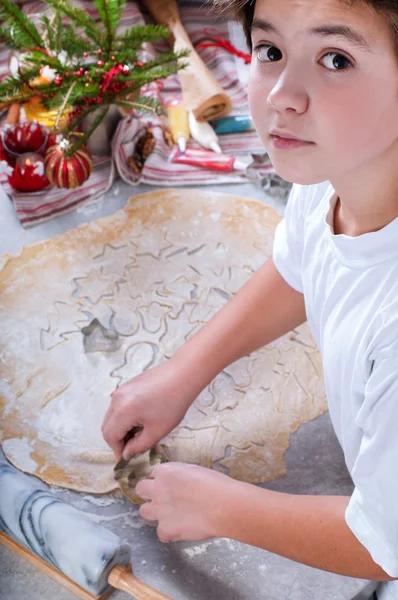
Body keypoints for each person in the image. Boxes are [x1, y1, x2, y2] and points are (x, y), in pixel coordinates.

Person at [102, 0, 398, 597]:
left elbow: (385, 540)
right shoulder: (338, 174)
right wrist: (183, 371)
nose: (284, 95)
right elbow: (301, 264)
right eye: (271, 51)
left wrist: (224, 507)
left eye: (335, 59)